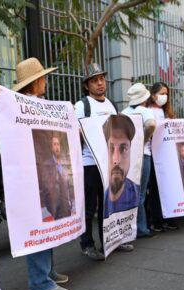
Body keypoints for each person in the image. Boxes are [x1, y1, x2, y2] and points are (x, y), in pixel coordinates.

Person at [0, 57, 70, 290]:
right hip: (29, 178)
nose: (45, 81)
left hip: (44, 175)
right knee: (38, 223)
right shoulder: (16, 105)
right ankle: (39, 281)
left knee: (48, 224)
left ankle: (47, 272)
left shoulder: (40, 104)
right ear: (36, 81)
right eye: (43, 77)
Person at [74, 64, 128, 260]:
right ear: (87, 85)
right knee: (90, 207)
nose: (99, 83)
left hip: (109, 164)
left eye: (102, 79)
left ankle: (110, 241)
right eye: (94, 80)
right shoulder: (82, 105)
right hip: (90, 164)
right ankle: (87, 244)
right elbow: (75, 133)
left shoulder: (111, 104)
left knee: (109, 204)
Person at [121, 83, 156, 238]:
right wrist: (144, 139)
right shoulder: (144, 111)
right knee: (141, 194)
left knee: (128, 192)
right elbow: (151, 125)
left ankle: (129, 227)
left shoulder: (123, 113)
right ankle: (141, 228)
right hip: (142, 155)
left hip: (126, 156)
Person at [146, 82, 178, 232]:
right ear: (153, 95)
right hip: (153, 154)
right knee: (155, 189)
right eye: (161, 93)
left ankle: (169, 217)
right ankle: (156, 219)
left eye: (166, 94)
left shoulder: (168, 113)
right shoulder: (146, 111)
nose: (164, 97)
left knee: (168, 185)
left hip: (167, 155)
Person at [103, 114, 140, 217]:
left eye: (123, 149)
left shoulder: (137, 196)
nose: (116, 160)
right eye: (111, 149)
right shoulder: (101, 197)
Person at [39, 133, 73, 221]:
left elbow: (68, 186)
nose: (57, 147)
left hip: (67, 208)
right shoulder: (47, 165)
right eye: (54, 144)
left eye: (58, 144)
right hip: (57, 211)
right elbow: (46, 190)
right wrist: (53, 209)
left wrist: (70, 204)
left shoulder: (64, 163)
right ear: (51, 148)